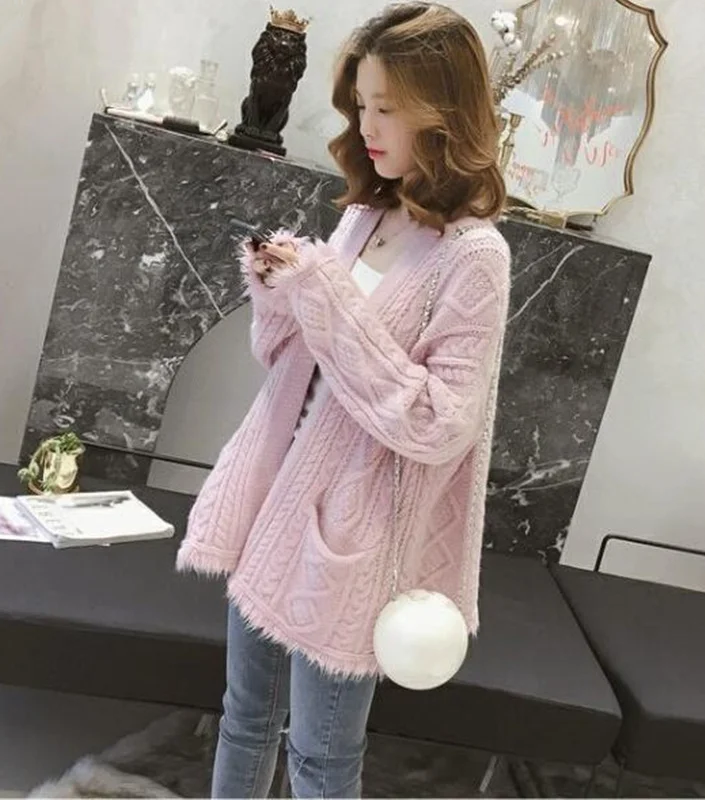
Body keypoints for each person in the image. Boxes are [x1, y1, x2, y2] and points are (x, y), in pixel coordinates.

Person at [176, 2, 511, 797]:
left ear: (445, 113)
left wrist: (326, 298)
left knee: (321, 757)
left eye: (386, 107)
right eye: (361, 104)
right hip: (274, 494)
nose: (367, 126)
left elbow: (439, 423)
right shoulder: (366, 214)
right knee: (243, 719)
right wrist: (277, 294)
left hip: (352, 531)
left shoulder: (475, 257)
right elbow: (288, 361)